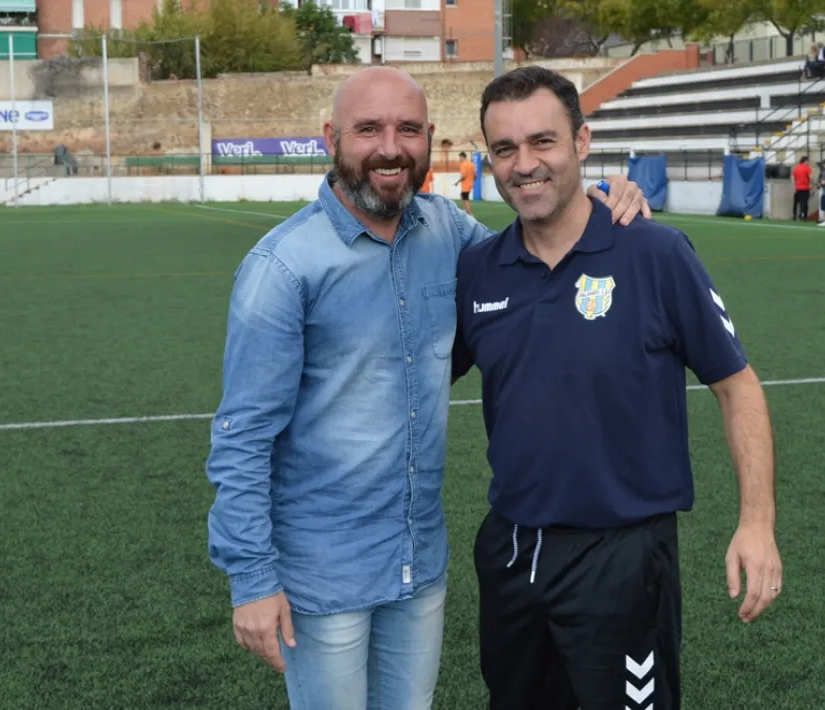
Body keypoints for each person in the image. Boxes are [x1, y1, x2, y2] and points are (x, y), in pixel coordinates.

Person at [203, 65, 650, 710]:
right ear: (332, 137)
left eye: (407, 130)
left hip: (419, 563)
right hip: (323, 573)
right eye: (368, 129)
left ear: (430, 139)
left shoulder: (450, 234)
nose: (390, 147)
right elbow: (242, 437)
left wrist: (607, 197)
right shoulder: (283, 267)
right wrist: (250, 579)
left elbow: (534, 257)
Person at [452, 66, 782, 710]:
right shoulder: (477, 269)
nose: (525, 164)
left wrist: (758, 523)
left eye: (543, 142)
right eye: (505, 149)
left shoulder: (655, 254)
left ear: (581, 142)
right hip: (511, 551)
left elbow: (737, 386)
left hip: (623, 557)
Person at [454, 151, 476, 215]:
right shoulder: (471, 164)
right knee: (463, 196)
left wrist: (457, 182)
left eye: (460, 158)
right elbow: (475, 175)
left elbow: (463, 175)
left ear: (462, 157)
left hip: (465, 185)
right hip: (470, 184)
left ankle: (470, 215)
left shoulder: (463, 164)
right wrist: (472, 181)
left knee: (466, 199)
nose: (459, 159)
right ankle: (464, 210)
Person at [791, 155, 812, 220]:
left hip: (797, 188)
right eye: (808, 161)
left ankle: (794, 215)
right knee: (804, 203)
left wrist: (794, 185)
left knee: (796, 203)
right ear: (806, 161)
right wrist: (811, 184)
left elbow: (792, 176)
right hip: (805, 188)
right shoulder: (807, 168)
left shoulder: (796, 168)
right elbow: (811, 177)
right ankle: (803, 216)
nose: (808, 163)